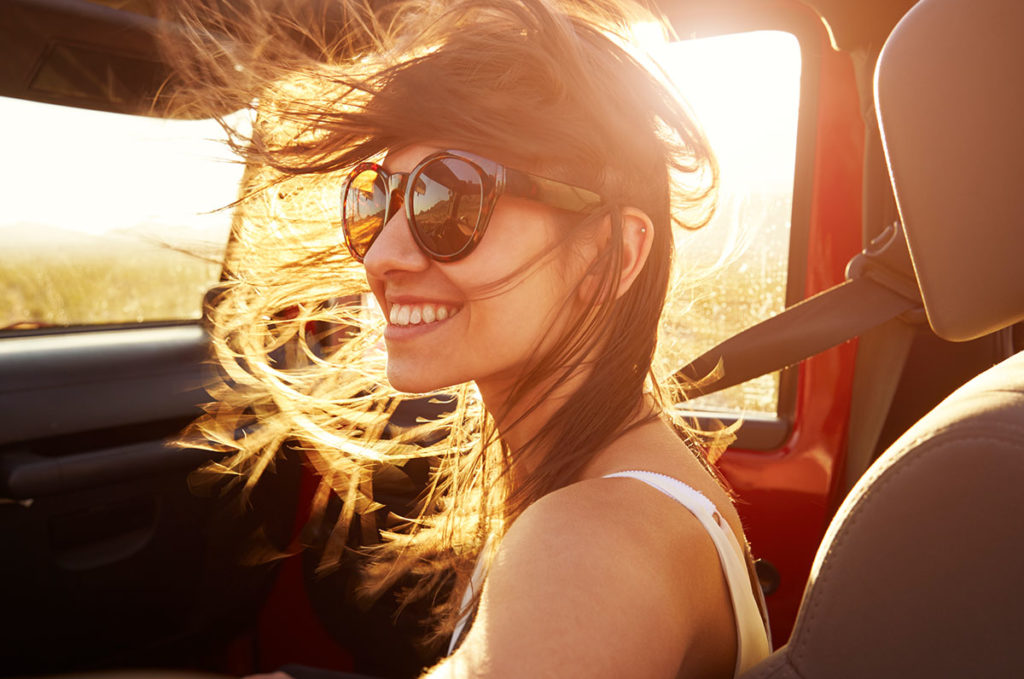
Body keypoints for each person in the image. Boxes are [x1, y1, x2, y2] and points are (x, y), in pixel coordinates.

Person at [168, 0, 771, 676]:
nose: (381, 256)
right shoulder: (608, 486)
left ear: (609, 256)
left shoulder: (589, 543)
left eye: (448, 199)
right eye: (376, 201)